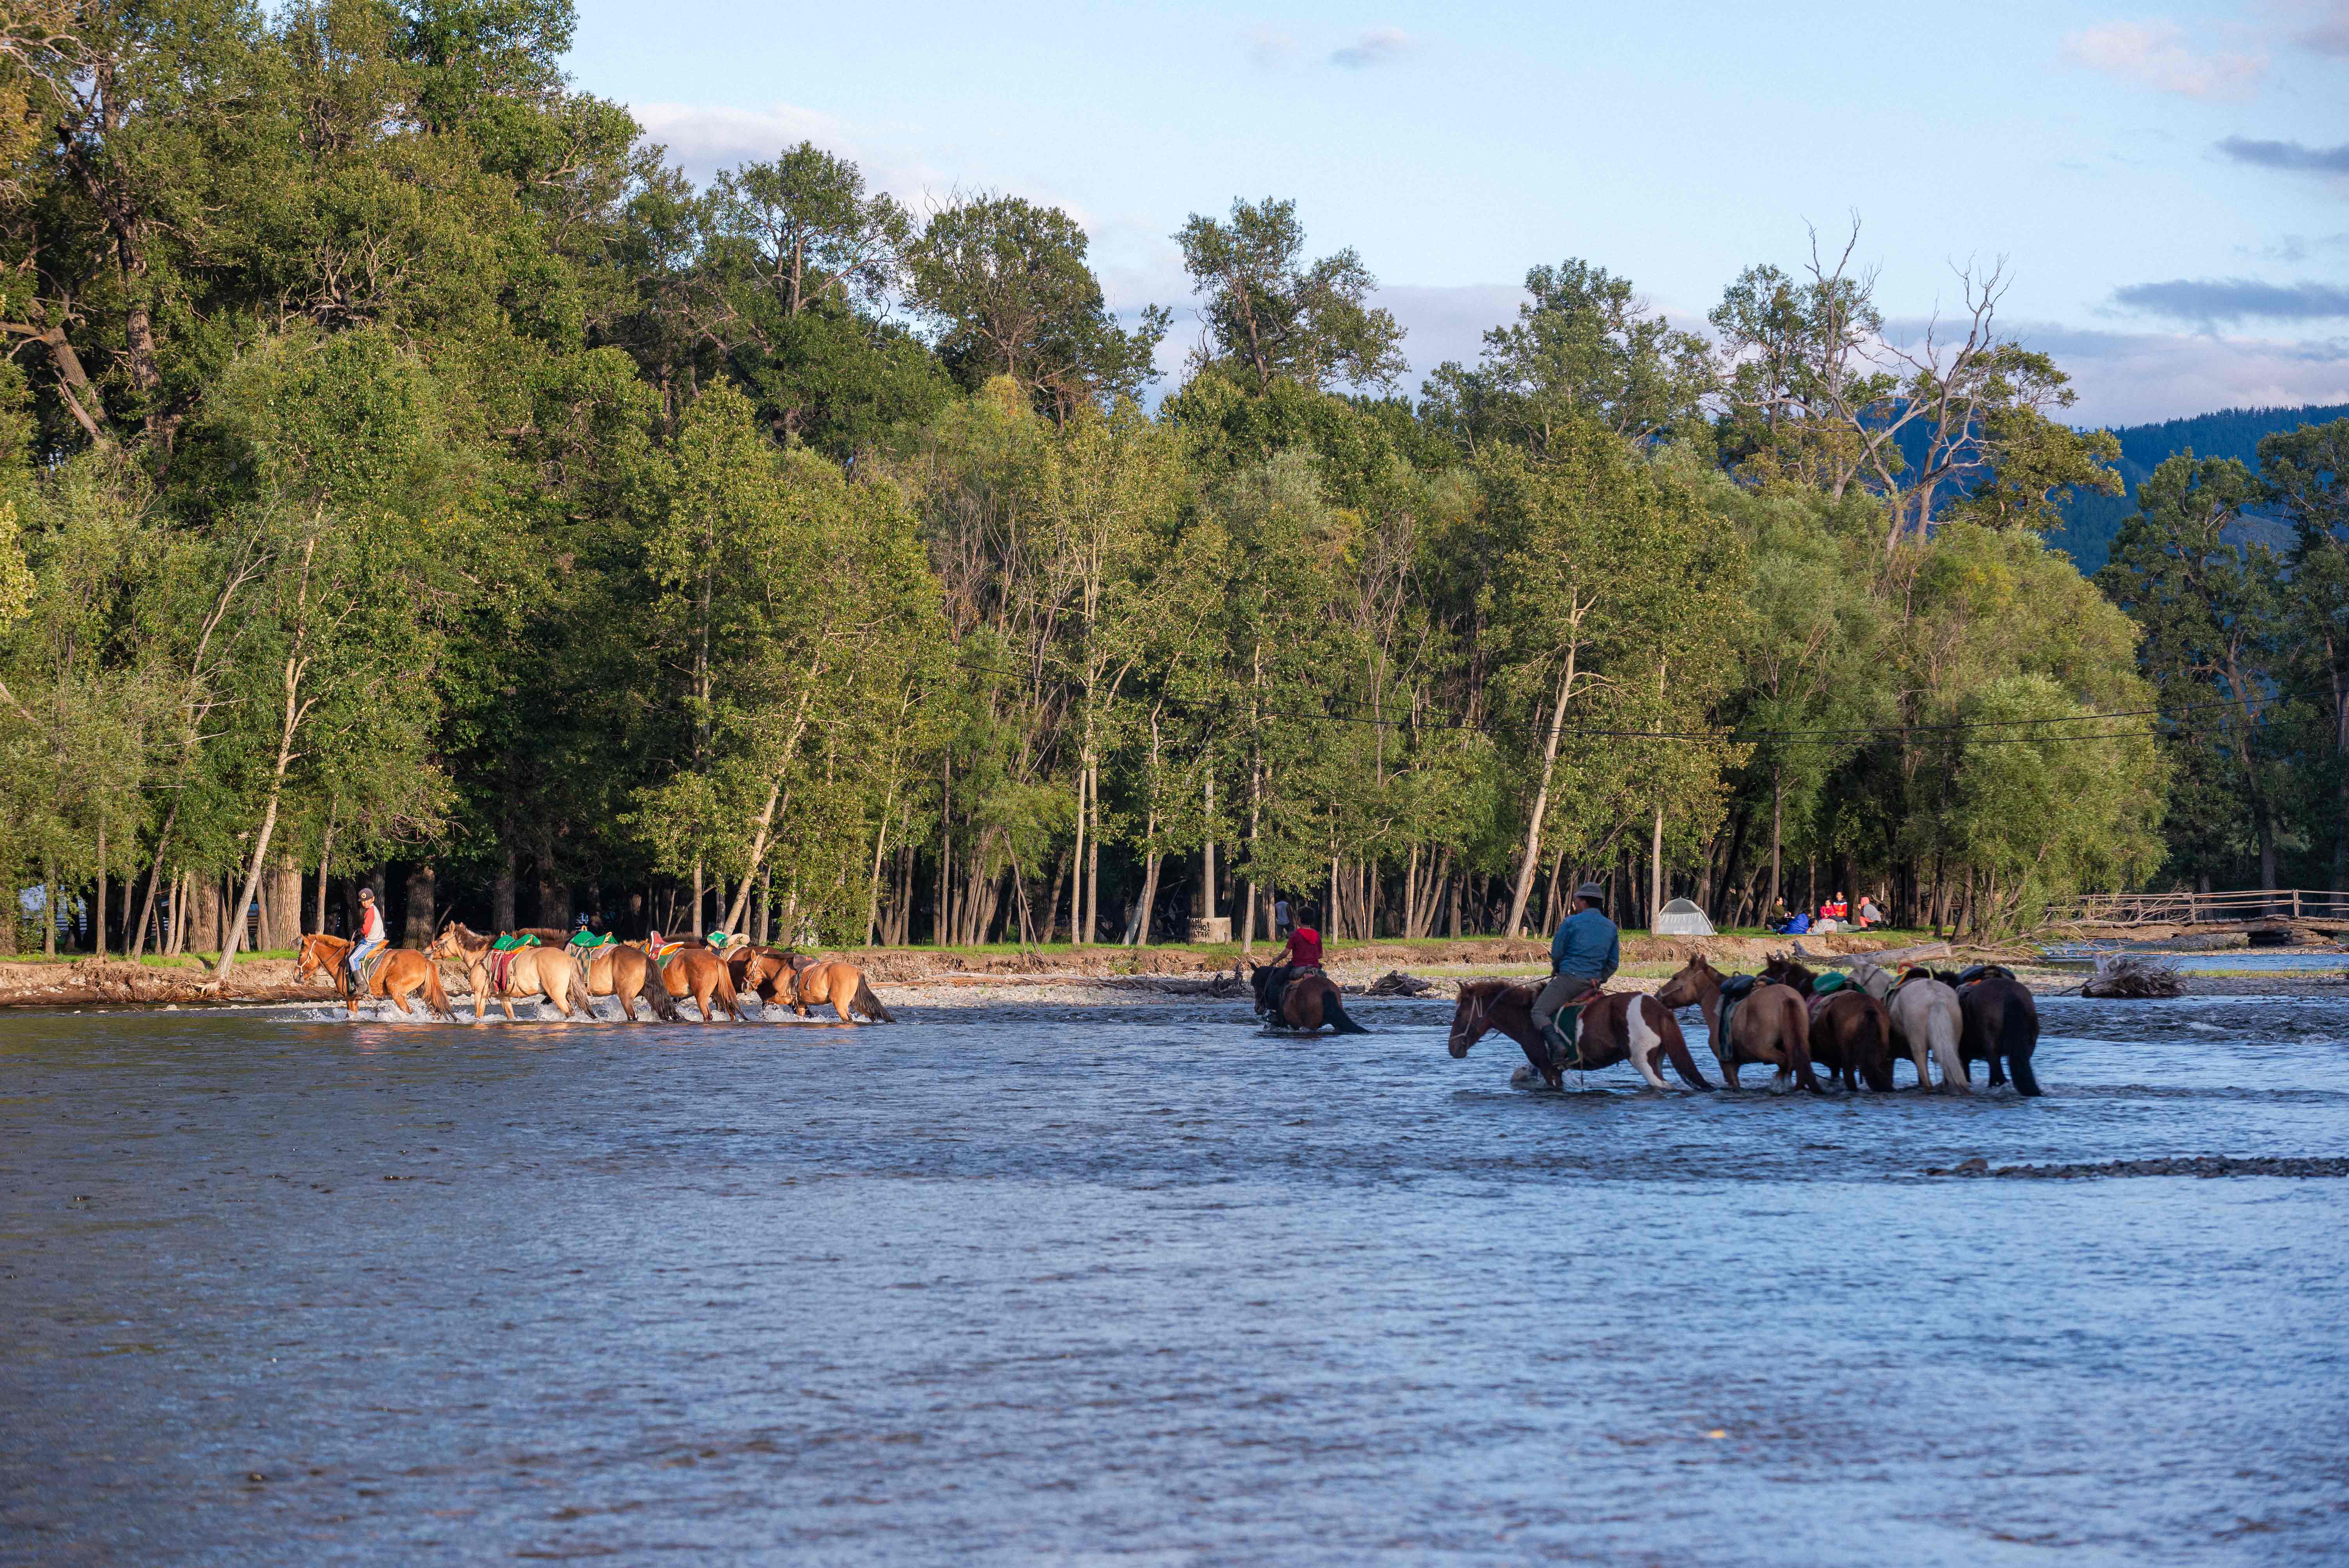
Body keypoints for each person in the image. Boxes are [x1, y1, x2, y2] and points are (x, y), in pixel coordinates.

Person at [1531, 882, 1620, 1069]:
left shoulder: (1571, 923)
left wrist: (1556, 969)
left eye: (1577, 901)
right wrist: (1600, 978)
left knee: (1538, 1012)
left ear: (1584, 902)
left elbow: (1557, 953)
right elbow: (1613, 963)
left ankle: (1558, 1048)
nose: (1576, 904)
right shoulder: (1611, 927)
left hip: (1569, 980)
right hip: (1593, 984)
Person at [1253, 914, 1323, 1019]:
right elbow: (1321, 955)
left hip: (1297, 966)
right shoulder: (1317, 935)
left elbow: (1286, 953)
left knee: (1274, 982)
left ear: (1300, 919)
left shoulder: (1295, 934)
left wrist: (1277, 959)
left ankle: (1273, 1012)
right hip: (1314, 966)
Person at [349, 886, 385, 979]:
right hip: (378, 938)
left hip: (372, 942)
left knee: (353, 959)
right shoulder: (374, 909)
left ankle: (361, 984)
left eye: (367, 900)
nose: (365, 903)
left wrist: (359, 931)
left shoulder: (370, 912)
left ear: (373, 899)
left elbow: (366, 930)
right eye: (363, 901)